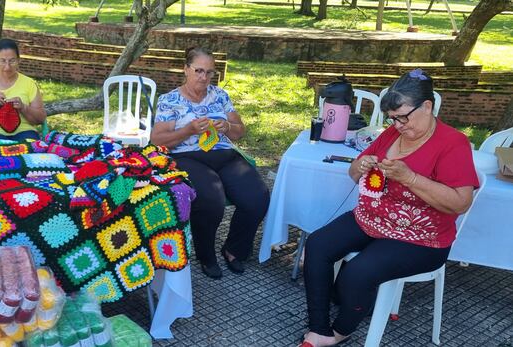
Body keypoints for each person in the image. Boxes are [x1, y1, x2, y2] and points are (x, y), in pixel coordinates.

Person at [299, 69, 478, 347]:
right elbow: (353, 172)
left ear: (427, 107)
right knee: (319, 244)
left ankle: (340, 330)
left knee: (358, 272)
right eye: (392, 118)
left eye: (403, 117)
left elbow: (461, 202)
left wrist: (410, 178)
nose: (398, 124)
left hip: (420, 237)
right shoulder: (391, 134)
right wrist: (360, 165)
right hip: (372, 220)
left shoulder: (453, 143)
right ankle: (319, 325)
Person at [150, 47, 270, 279]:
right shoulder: (170, 100)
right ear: (186, 70)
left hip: (224, 155)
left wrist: (228, 127)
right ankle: (206, 255)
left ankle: (234, 249)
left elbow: (239, 131)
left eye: (209, 72)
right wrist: (189, 130)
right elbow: (157, 141)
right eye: (198, 71)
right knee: (211, 199)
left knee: (258, 197)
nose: (204, 77)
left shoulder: (220, 96)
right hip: (187, 156)